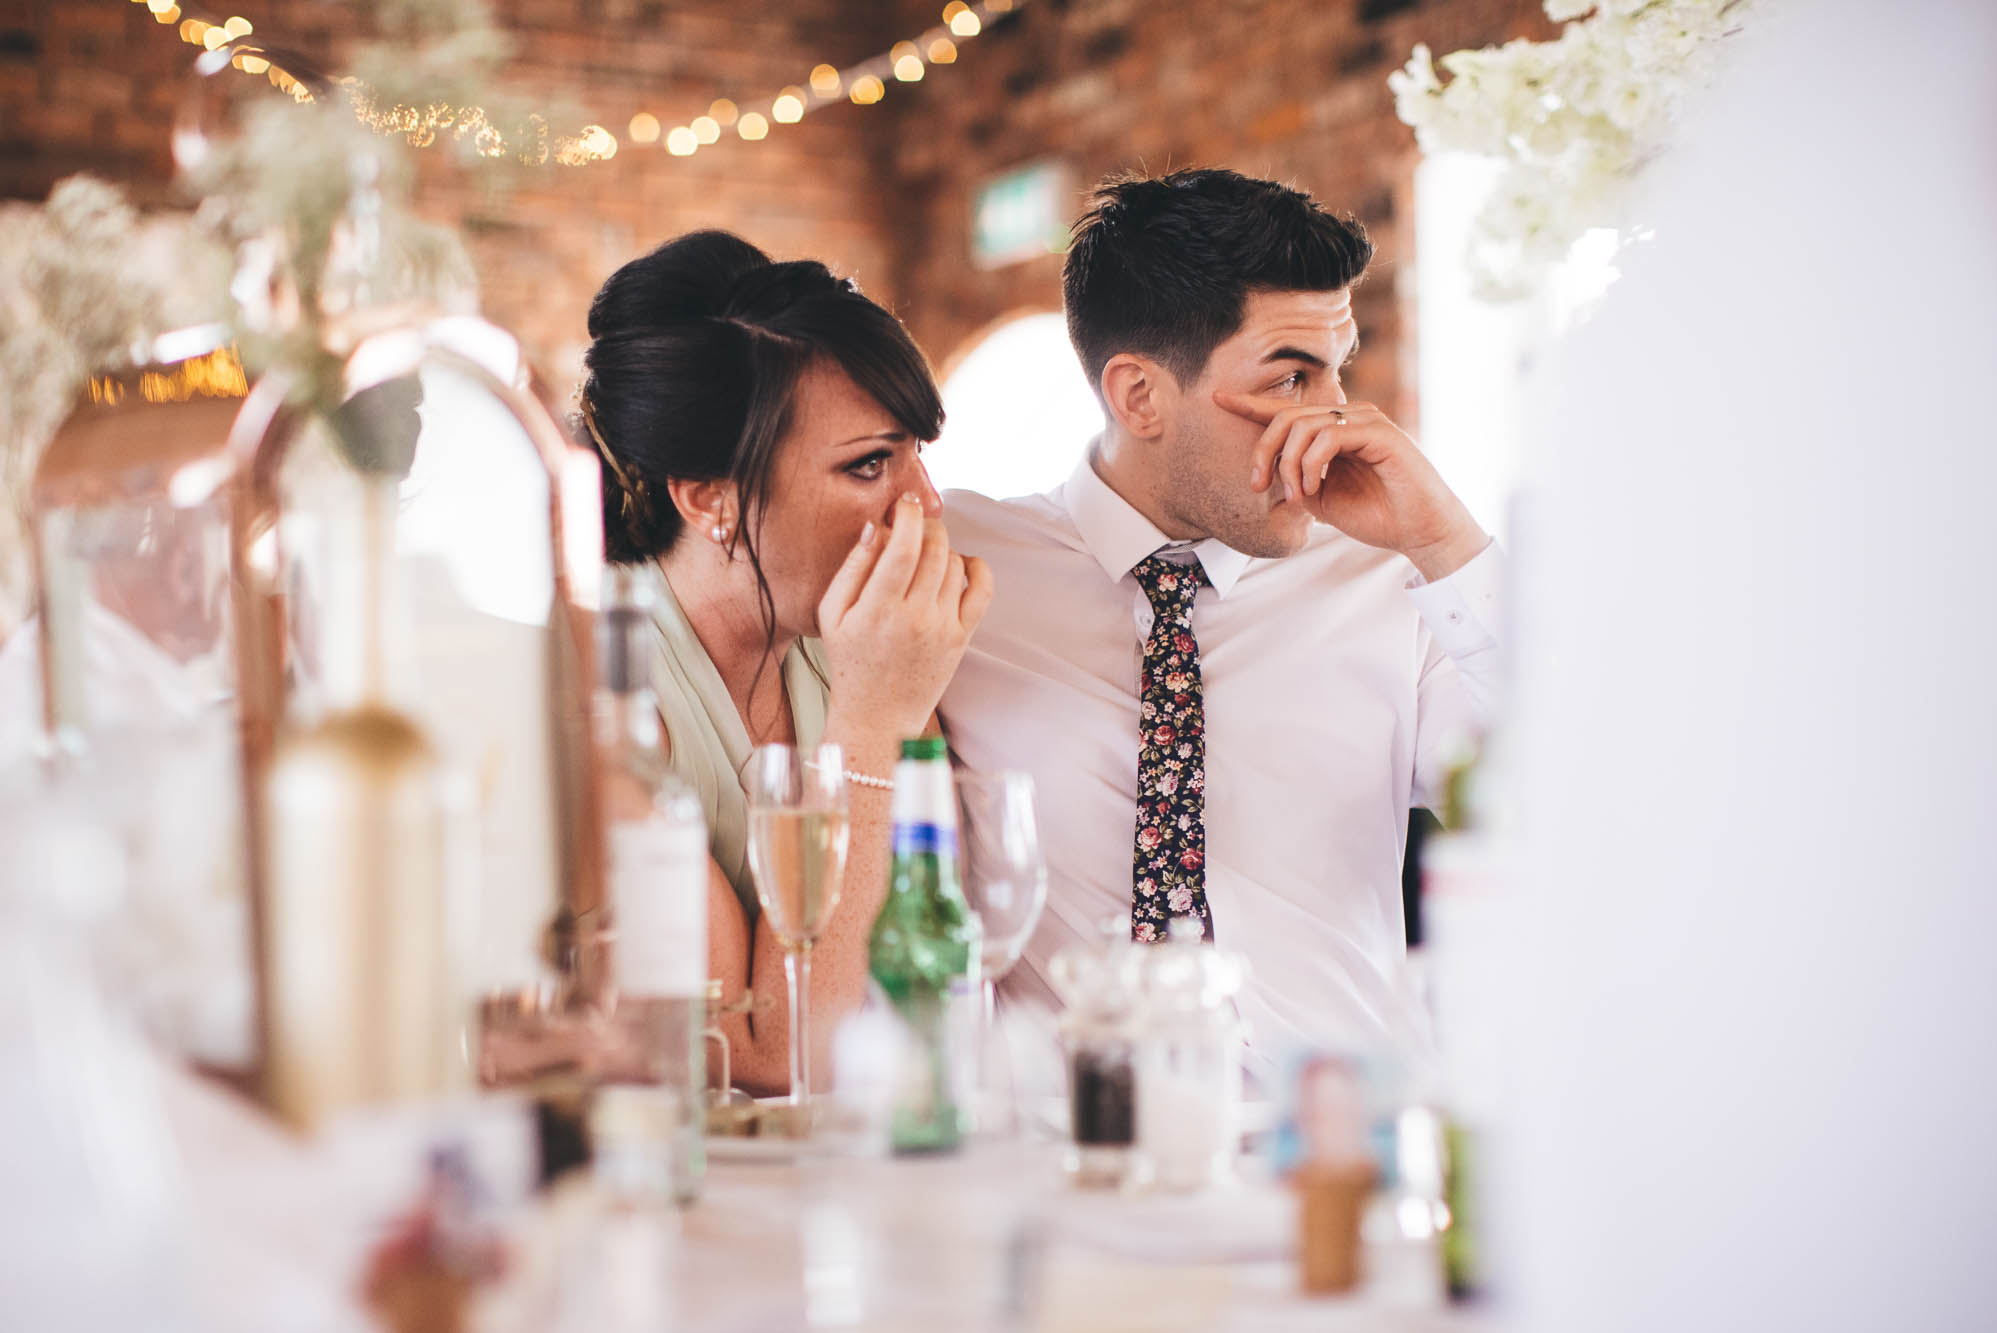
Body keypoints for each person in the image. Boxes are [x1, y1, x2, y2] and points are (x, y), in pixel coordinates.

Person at [938, 169, 1503, 1079]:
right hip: (1072, 1144)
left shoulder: (1396, 577)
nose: (1335, 416)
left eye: (1339, 369)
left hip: (1333, 1142)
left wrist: (1447, 542)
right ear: (1139, 396)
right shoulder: (960, 565)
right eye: (1292, 377)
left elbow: (1564, 793)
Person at [578, 230, 993, 1095]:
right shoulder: (600, 695)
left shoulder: (853, 647)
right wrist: (873, 723)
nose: (923, 504)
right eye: (869, 464)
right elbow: (770, 1054)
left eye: (916, 455)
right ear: (711, 499)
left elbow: (924, 961)